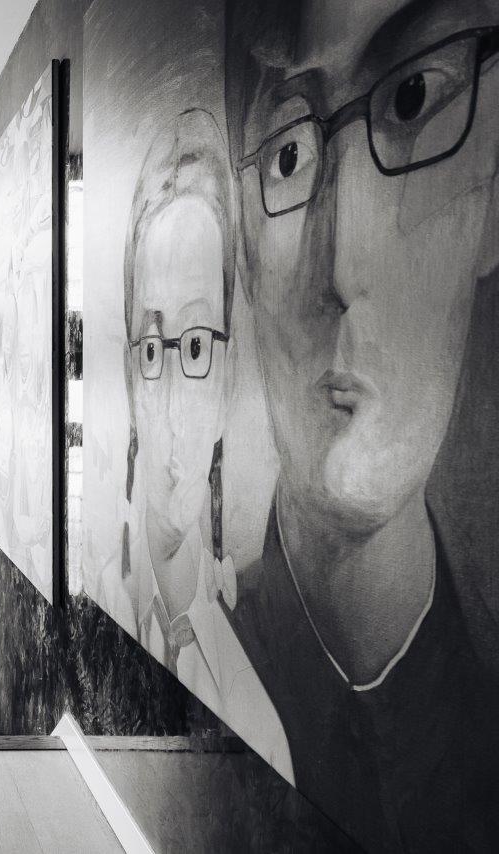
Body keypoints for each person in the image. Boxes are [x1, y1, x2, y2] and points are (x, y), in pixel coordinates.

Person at [225, 1, 499, 848]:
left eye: (413, 98)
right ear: (241, 251)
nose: (341, 267)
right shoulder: (213, 663)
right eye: (289, 155)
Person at [119, 109, 291, 778]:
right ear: (129, 378)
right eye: (151, 347)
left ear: (226, 381)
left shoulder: (255, 724)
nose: (167, 400)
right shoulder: (98, 598)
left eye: (194, 346)